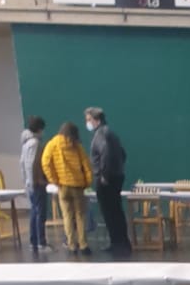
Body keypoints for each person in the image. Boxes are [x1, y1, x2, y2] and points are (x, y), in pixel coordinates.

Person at [84, 106, 131, 258]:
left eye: (89, 120)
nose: (87, 123)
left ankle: (117, 243)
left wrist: (104, 175)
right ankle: (121, 241)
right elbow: (123, 154)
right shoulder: (111, 133)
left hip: (106, 179)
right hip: (116, 176)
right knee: (116, 210)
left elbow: (106, 154)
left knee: (109, 212)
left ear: (97, 120)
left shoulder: (101, 135)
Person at [41, 121, 93, 256]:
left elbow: (45, 163)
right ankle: (83, 245)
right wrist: (88, 182)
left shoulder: (52, 144)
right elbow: (86, 165)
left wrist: (54, 180)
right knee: (80, 216)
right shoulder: (77, 146)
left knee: (67, 216)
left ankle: (71, 245)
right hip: (78, 186)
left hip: (63, 187)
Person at [19, 114, 47, 256]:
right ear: (39, 129)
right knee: (40, 213)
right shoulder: (34, 143)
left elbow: (22, 163)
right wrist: (33, 182)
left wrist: (26, 182)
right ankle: (41, 242)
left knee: (34, 212)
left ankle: (34, 242)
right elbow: (30, 164)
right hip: (36, 183)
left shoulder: (26, 143)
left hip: (30, 183)